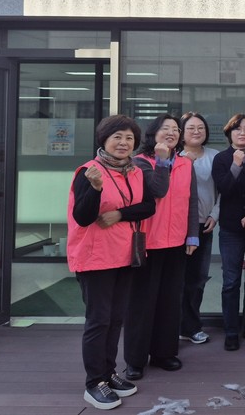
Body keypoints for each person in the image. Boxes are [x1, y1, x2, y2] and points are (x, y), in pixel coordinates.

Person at [68, 115, 155, 410]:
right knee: (99, 321)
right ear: (103, 140)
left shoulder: (135, 172)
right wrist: (94, 189)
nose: (123, 143)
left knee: (116, 318)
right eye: (117, 137)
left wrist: (120, 214)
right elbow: (82, 217)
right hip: (95, 258)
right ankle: (94, 383)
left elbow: (147, 206)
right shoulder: (88, 172)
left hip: (124, 255)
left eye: (129, 138)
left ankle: (108, 373)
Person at [124, 114, 199, 381]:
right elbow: (158, 190)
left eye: (176, 129)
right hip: (148, 242)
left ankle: (164, 353)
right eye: (165, 128)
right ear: (153, 133)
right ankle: (135, 359)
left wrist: (192, 236)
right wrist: (162, 160)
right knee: (141, 303)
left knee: (169, 301)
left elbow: (191, 201)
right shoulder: (139, 163)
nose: (171, 133)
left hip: (176, 242)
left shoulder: (186, 164)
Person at [212, 113, 245, 351]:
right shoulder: (221, 159)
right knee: (231, 281)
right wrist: (235, 165)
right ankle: (231, 330)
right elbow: (224, 188)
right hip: (231, 229)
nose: (242, 133)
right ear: (229, 133)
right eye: (237, 129)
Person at [178, 112, 220, 345]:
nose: (196, 131)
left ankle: (191, 327)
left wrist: (215, 214)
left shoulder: (215, 156)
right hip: (176, 227)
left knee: (197, 279)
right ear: (182, 133)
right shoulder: (174, 157)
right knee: (176, 279)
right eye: (191, 128)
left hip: (204, 225)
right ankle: (173, 325)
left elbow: (223, 190)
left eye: (200, 128)